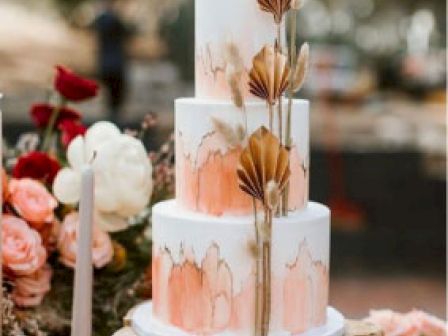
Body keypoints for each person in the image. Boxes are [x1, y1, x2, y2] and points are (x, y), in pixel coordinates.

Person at [93, 0, 134, 123]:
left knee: (110, 98)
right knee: (116, 97)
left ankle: (112, 118)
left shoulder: (100, 20)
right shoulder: (116, 21)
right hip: (116, 63)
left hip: (106, 62)